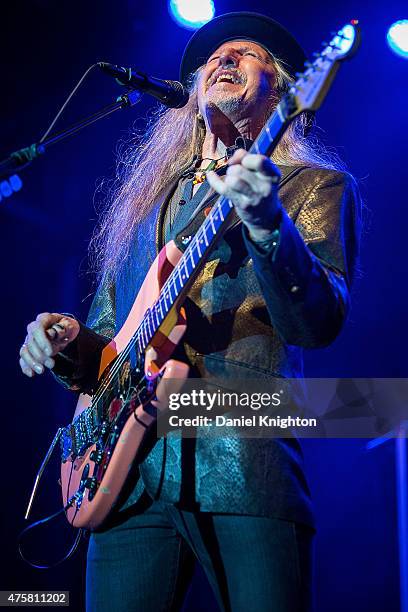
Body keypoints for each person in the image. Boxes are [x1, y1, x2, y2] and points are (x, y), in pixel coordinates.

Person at [18, 12, 361, 612]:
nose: (223, 58)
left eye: (245, 53)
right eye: (215, 54)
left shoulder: (311, 186)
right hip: (125, 479)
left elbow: (319, 322)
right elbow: (112, 356)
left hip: (241, 456)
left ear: (282, 89)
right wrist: (67, 342)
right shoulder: (147, 209)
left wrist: (265, 220)